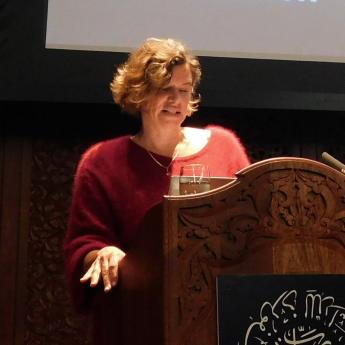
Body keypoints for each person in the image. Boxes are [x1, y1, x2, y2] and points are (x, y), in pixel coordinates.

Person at [63, 37, 250, 344]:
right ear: (139, 93)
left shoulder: (223, 147)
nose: (177, 100)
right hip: (136, 320)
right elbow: (83, 244)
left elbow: (253, 223)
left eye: (184, 89)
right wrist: (102, 252)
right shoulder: (101, 163)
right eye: (166, 89)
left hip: (211, 319)